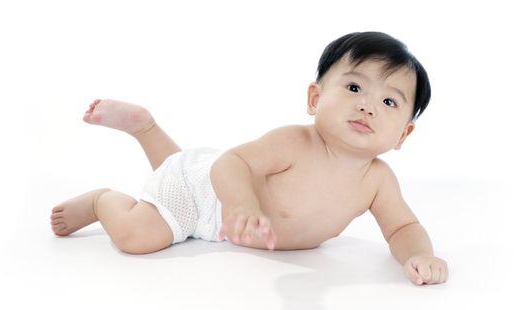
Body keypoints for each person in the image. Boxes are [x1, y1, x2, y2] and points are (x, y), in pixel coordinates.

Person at [50, 32, 448, 285]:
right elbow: (230, 165)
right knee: (140, 236)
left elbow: (402, 227)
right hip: (208, 197)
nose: (367, 107)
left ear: (403, 134)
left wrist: (419, 255)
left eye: (389, 101)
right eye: (355, 87)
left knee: (179, 170)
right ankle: (103, 200)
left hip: (202, 184)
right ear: (315, 99)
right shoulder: (295, 142)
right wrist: (242, 205)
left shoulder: (377, 181)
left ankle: (146, 129)